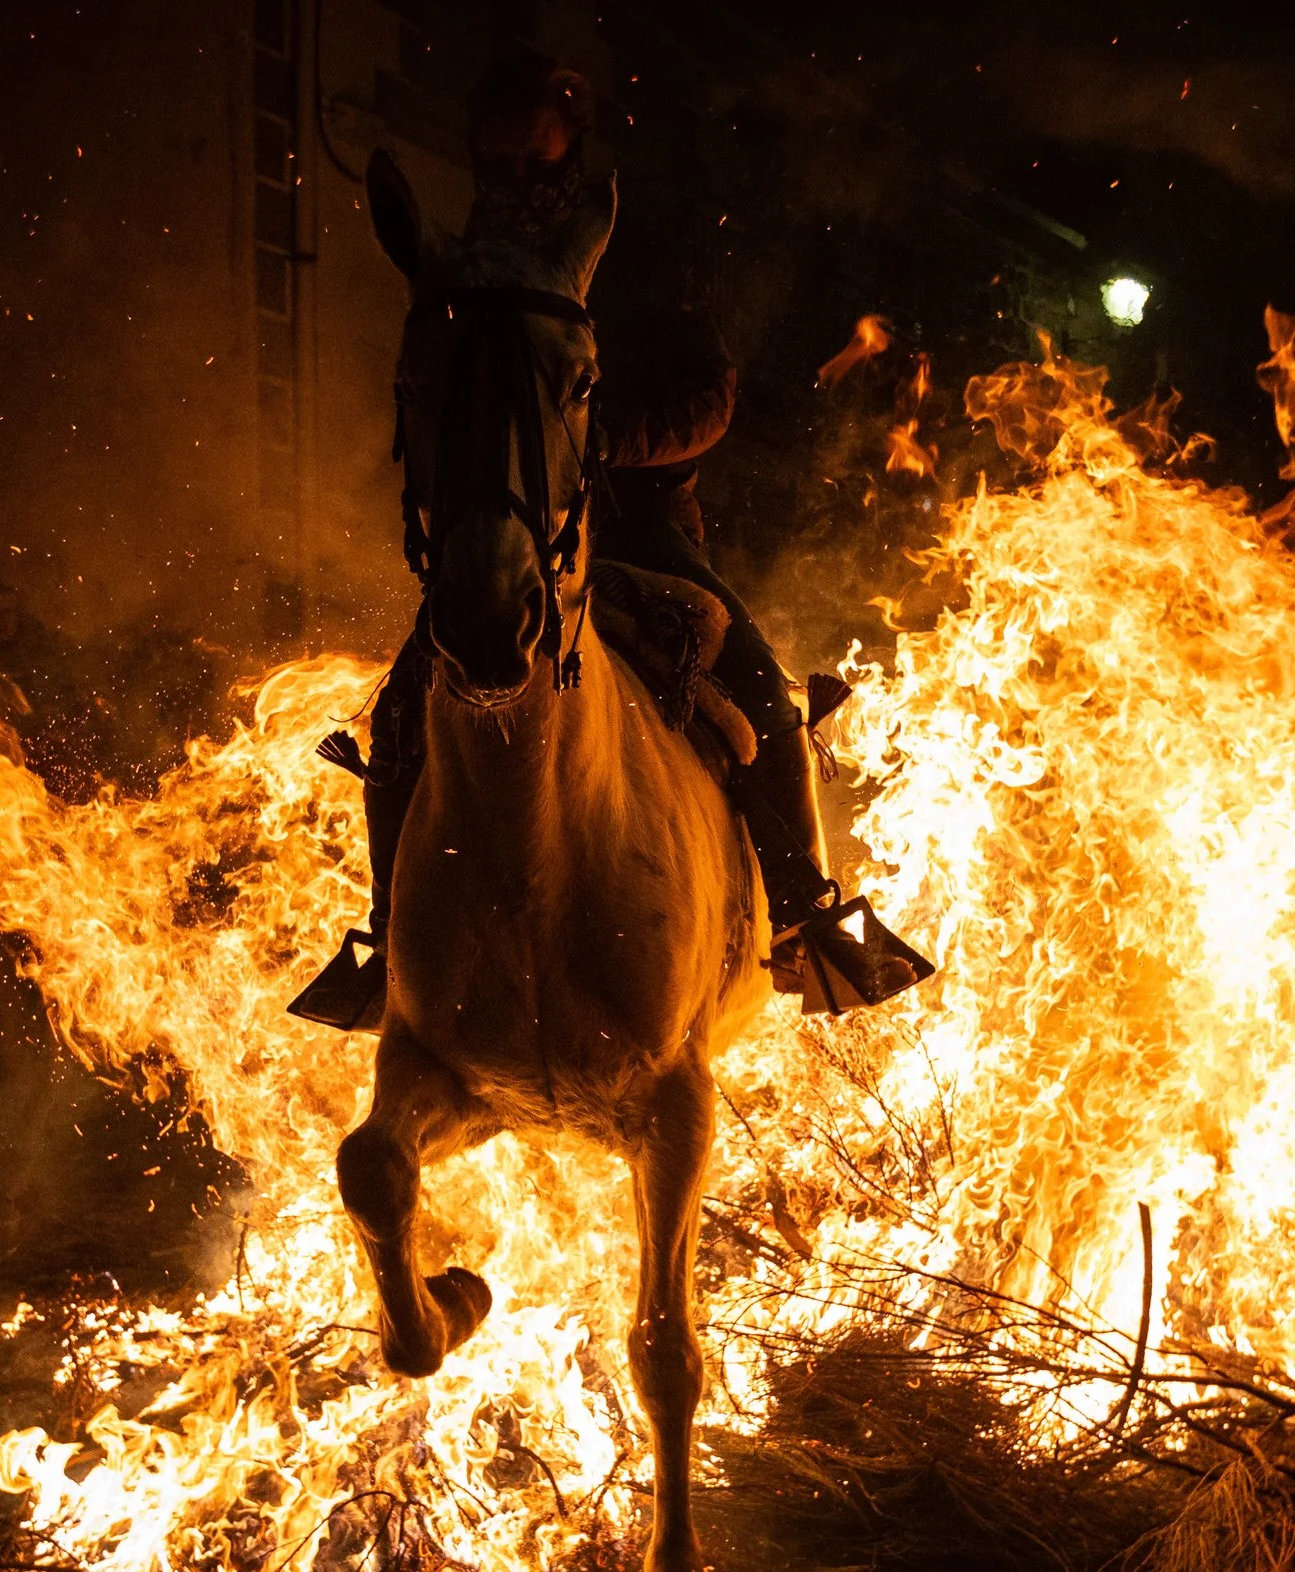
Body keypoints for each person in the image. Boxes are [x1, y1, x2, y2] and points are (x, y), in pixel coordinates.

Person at [294, 50, 927, 1029]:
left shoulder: (641, 241)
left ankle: (807, 918)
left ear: (567, 150)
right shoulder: (474, 258)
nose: (513, 178)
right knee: (403, 705)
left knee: (757, 682)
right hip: (521, 523)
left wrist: (589, 442)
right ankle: (387, 936)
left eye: (531, 159)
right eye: (496, 160)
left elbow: (708, 394)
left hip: (642, 532)